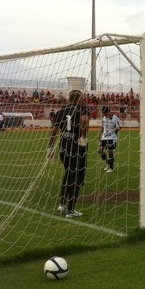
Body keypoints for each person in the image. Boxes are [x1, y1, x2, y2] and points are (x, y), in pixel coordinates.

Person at [47, 90, 89, 218]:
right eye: (81, 98)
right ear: (78, 98)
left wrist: (50, 147)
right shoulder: (81, 109)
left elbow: (54, 130)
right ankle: (70, 210)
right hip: (76, 148)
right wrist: (83, 136)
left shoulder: (61, 111)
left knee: (68, 174)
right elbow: (84, 121)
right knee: (75, 178)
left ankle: (62, 203)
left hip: (63, 149)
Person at [98, 106, 121, 173]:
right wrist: (100, 135)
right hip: (104, 137)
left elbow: (119, 128)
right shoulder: (104, 118)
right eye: (103, 113)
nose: (104, 114)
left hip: (112, 137)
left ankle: (111, 167)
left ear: (108, 112)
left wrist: (113, 130)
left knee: (110, 152)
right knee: (100, 151)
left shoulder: (115, 118)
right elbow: (103, 127)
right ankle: (108, 163)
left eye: (105, 113)